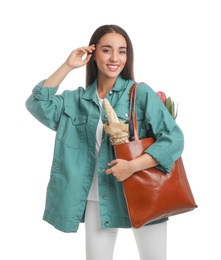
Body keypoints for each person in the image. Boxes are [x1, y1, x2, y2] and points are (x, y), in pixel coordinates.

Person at [25, 24, 184, 260]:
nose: (115, 58)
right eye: (107, 50)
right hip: (98, 200)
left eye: (122, 51)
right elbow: (37, 104)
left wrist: (131, 166)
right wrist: (67, 65)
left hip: (144, 194)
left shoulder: (140, 93)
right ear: (93, 54)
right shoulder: (75, 100)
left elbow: (174, 139)